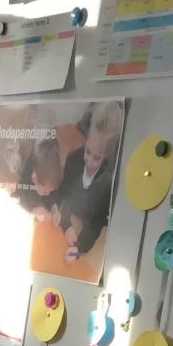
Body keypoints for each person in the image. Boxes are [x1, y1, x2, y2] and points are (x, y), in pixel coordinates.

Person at [51, 101, 123, 262]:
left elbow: (96, 223)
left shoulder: (106, 184)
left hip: (90, 239)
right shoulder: (74, 160)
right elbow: (64, 194)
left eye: (97, 158)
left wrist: (78, 249)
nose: (89, 162)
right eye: (88, 151)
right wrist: (65, 224)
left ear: (107, 157)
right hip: (70, 224)